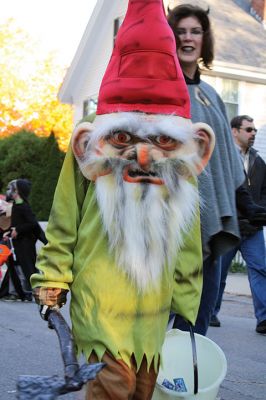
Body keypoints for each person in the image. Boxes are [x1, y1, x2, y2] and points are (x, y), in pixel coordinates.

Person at [30, 1, 215, 399]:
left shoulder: (178, 170)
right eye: (124, 138)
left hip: (152, 305)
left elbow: (187, 235)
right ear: (89, 143)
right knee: (114, 385)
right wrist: (52, 278)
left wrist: (186, 298)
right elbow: (65, 218)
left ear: (194, 146)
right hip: (99, 297)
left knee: (143, 388)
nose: (144, 155)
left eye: (162, 139)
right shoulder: (88, 155)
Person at [167, 4, 246, 335]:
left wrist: (241, 200)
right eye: (181, 31)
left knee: (197, 320)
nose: (188, 38)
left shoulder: (211, 95)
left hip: (209, 223)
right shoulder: (163, 90)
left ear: (204, 38)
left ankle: (185, 385)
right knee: (159, 319)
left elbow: (224, 158)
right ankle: (148, 384)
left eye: (195, 31)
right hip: (170, 222)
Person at [211, 115, 266, 334]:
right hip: (228, 225)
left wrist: (260, 212)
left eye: (254, 130)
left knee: (260, 269)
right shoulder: (222, 157)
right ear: (235, 131)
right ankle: (210, 313)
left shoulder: (258, 161)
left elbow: (264, 192)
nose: (253, 133)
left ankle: (263, 319)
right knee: (218, 273)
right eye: (249, 129)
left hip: (253, 229)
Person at [1, 179, 45, 301]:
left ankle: (33, 293)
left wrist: (18, 230)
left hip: (25, 243)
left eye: (12, 189)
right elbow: (16, 223)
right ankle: (16, 293)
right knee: (16, 268)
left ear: (18, 191)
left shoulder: (23, 206)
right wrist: (9, 232)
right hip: (18, 242)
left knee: (28, 269)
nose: (9, 191)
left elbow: (32, 224)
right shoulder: (16, 205)